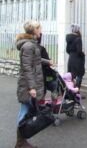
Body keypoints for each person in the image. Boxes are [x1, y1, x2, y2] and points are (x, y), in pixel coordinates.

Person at [15, 20, 46, 148]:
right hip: (27, 86)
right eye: (39, 29)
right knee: (24, 113)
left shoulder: (31, 44)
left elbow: (35, 60)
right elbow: (27, 67)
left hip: (27, 85)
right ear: (34, 30)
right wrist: (32, 87)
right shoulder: (28, 46)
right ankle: (20, 142)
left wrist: (47, 61)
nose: (41, 31)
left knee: (26, 113)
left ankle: (21, 141)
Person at [66, 24, 85, 98]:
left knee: (71, 75)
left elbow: (67, 50)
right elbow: (79, 51)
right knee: (79, 75)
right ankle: (77, 93)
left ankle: (71, 91)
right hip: (77, 59)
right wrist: (83, 55)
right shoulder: (78, 38)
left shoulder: (69, 38)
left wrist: (71, 54)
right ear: (78, 30)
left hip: (71, 58)